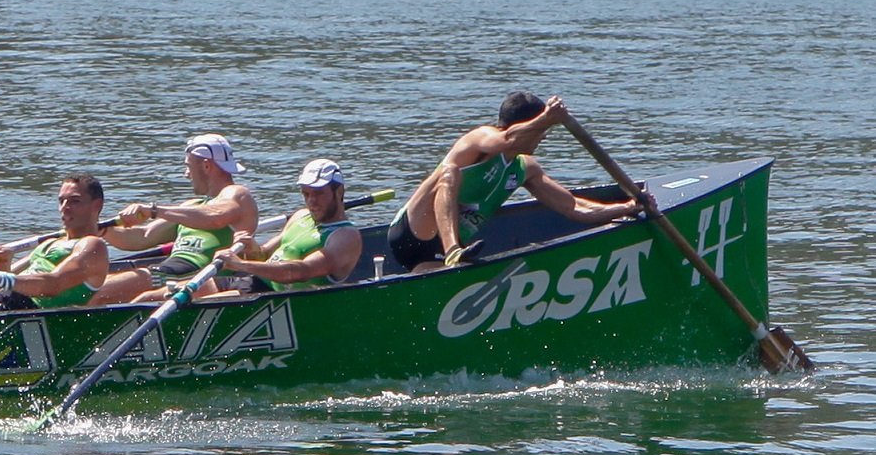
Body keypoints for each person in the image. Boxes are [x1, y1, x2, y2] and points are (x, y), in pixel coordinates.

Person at [387, 93, 650, 272]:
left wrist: (628, 207)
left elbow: (573, 207)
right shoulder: (481, 139)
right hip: (412, 230)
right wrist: (546, 118)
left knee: (433, 282)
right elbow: (507, 140)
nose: (543, 137)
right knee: (449, 172)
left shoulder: (526, 168)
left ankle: (445, 260)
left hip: (431, 254)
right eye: (541, 131)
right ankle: (453, 249)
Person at [90, 134, 259, 305]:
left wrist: (153, 210)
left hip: (200, 275)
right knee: (92, 286)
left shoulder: (237, 194)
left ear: (206, 166)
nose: (186, 174)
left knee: (100, 293)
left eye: (188, 166)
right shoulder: (192, 206)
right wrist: (102, 229)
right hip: (170, 270)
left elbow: (215, 218)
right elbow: (143, 236)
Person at [0, 175, 110, 314]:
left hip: (29, 308)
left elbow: (53, 284)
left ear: (96, 205)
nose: (64, 207)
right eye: (61, 201)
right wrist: (4, 264)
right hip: (7, 301)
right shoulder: (49, 243)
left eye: (74, 201)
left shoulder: (93, 246)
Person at [216, 159, 365, 292]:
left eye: (318, 193)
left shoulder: (346, 236)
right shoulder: (300, 215)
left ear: (339, 192)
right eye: (306, 194)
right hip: (255, 281)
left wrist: (242, 265)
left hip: (279, 298)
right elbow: (264, 255)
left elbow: (302, 271)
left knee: (209, 299)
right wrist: (252, 249)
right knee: (203, 286)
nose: (311, 201)